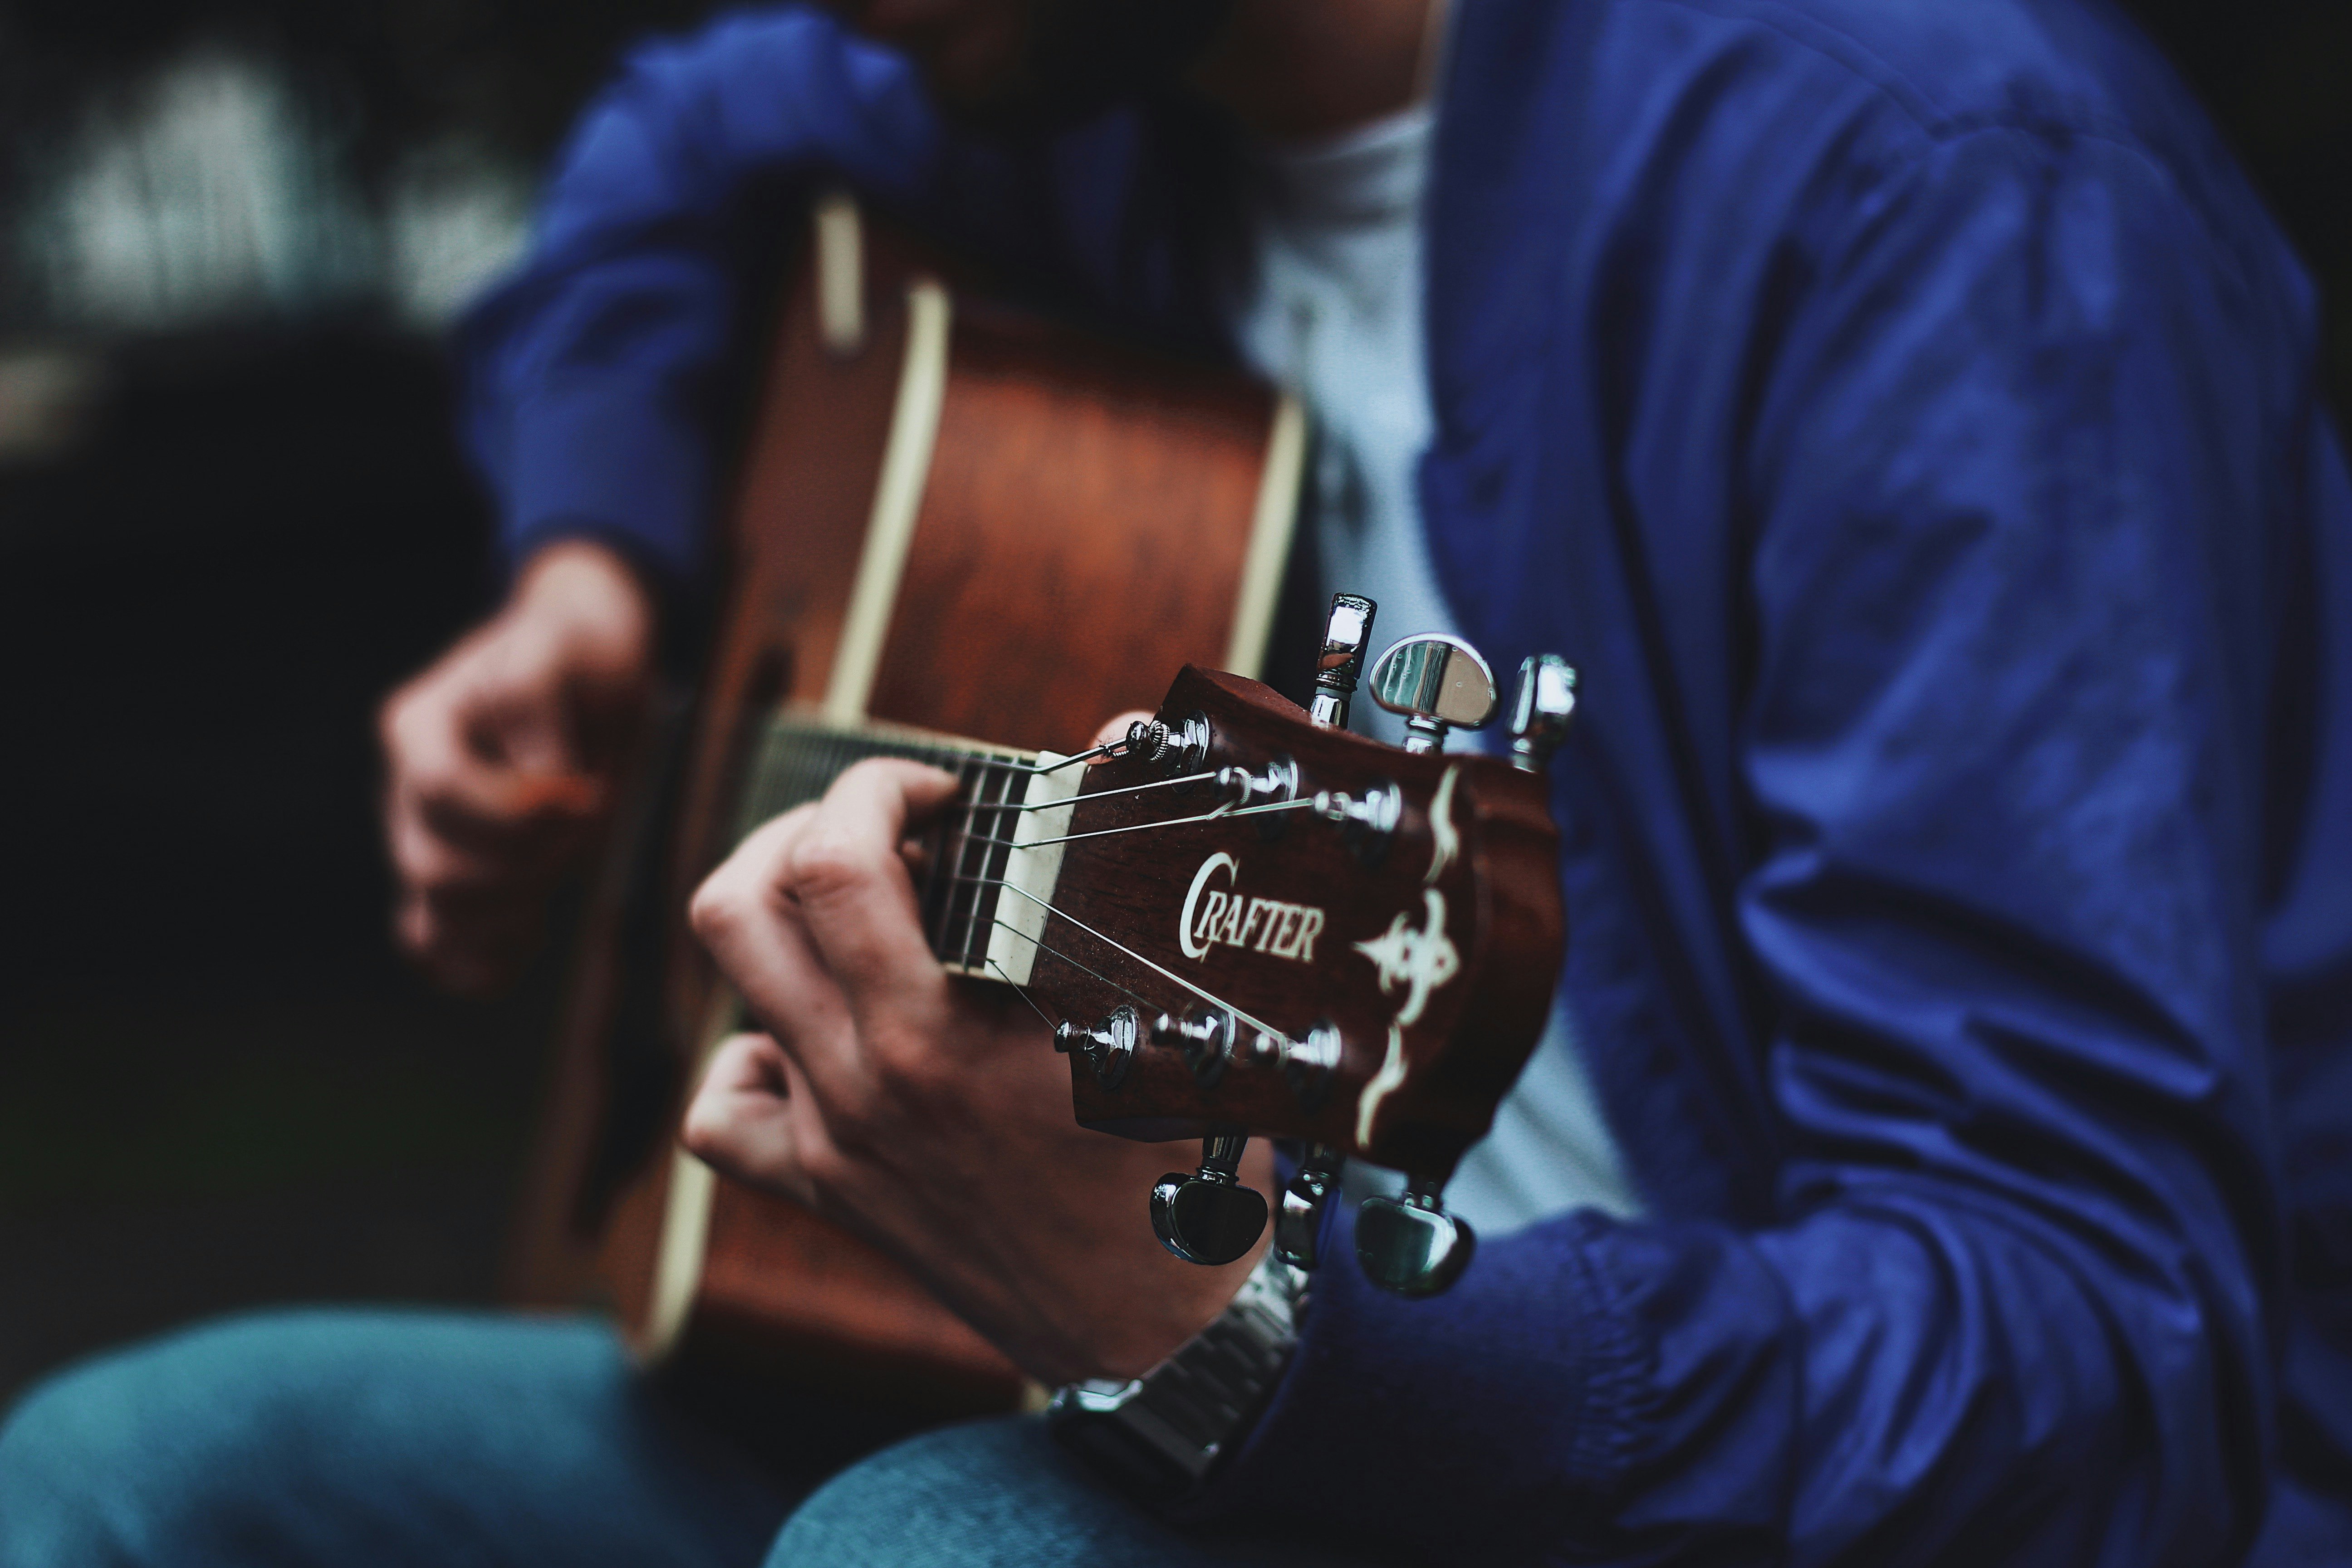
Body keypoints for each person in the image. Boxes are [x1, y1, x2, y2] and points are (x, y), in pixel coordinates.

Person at [5, 0, 2350, 1562]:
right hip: (1128, 1357)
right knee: (127, 1483)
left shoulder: (1935, 200)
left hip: (1678, 1469)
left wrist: (1225, 1330)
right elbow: (674, 152)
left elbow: (2096, 1348)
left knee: (935, 1550)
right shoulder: (1093, 96)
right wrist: (593, 579)